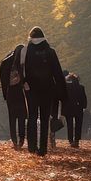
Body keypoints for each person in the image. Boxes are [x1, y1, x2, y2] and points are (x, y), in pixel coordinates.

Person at [9, 26, 66, 156]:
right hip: (47, 89)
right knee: (45, 118)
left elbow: (17, 68)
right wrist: (62, 93)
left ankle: (32, 146)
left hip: (31, 89)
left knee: (32, 117)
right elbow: (57, 73)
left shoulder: (25, 51)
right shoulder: (50, 51)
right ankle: (43, 149)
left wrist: (24, 82)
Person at [0, 48, 27, 149]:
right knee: (22, 116)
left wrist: (4, 94)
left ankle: (14, 139)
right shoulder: (23, 60)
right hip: (21, 92)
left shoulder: (5, 62)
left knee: (12, 116)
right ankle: (21, 138)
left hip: (9, 92)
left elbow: (2, 79)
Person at [62, 72, 89, 147]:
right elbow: (84, 98)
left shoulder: (66, 87)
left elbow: (63, 98)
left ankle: (70, 140)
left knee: (69, 125)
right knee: (78, 124)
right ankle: (76, 140)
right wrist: (84, 106)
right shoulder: (81, 87)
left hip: (68, 108)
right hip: (78, 108)